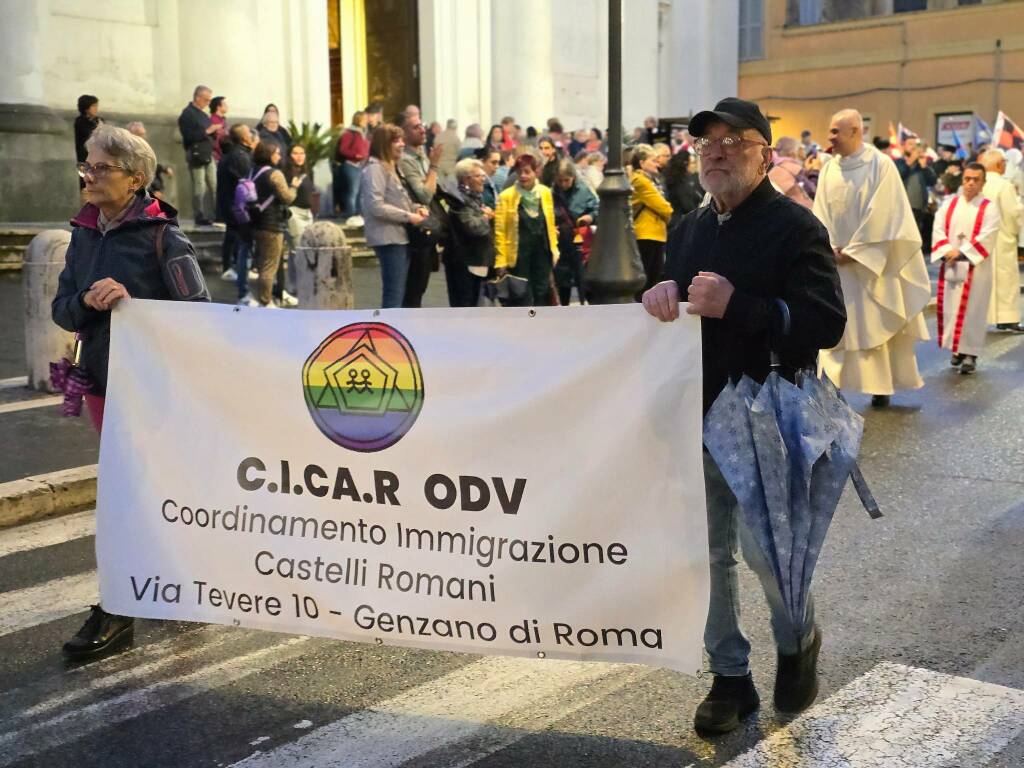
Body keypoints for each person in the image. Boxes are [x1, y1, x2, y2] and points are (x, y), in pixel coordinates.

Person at [642, 97, 845, 734]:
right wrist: (661, 295)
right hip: (696, 414)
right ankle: (729, 678)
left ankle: (798, 640)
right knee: (706, 557)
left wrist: (741, 306)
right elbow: (674, 305)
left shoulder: (796, 227)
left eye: (734, 140)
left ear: (764, 153)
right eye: (708, 143)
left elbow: (826, 324)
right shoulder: (691, 228)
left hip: (768, 418)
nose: (717, 151)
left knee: (767, 554)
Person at [54, 125, 210, 660]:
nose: (89, 178)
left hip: (151, 389)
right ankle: (171, 583)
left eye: (101, 168)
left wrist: (132, 298)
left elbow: (199, 315)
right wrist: (90, 305)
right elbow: (62, 307)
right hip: (101, 382)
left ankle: (118, 608)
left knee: (130, 497)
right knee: (138, 495)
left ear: (135, 178)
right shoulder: (82, 232)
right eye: (87, 167)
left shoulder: (164, 236)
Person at [815, 110, 931, 406]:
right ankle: (832, 384)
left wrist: (856, 251)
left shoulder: (881, 166)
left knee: (874, 322)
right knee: (838, 326)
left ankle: (880, 385)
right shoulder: (830, 167)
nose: (830, 138)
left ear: (855, 132)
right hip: (836, 261)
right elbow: (821, 211)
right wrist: (826, 245)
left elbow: (885, 214)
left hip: (870, 263)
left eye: (835, 132)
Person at [932, 163, 1002, 374]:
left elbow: (989, 234)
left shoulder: (989, 207)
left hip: (976, 269)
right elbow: (938, 228)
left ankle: (970, 354)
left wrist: (962, 252)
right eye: (967, 179)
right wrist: (946, 250)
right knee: (951, 308)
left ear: (983, 182)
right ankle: (957, 350)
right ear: (962, 180)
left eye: (976, 180)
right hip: (952, 267)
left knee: (973, 311)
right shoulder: (950, 204)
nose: (970, 183)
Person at [360, 124, 427, 308]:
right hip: (388, 238)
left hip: (399, 236)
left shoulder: (391, 167)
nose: (402, 145)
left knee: (400, 291)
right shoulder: (375, 170)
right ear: (384, 144)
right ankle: (388, 333)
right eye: (396, 141)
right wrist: (408, 216)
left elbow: (398, 198)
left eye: (402, 140)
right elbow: (376, 206)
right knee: (394, 293)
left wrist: (417, 208)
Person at [494, 154, 559, 306]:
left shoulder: (545, 192)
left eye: (527, 172)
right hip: (518, 255)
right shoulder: (507, 196)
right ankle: (525, 325)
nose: (523, 176)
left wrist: (554, 249)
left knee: (541, 292)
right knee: (522, 294)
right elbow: (500, 231)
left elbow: (550, 222)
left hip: (542, 251)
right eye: (519, 172)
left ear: (536, 172)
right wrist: (501, 260)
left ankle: (539, 325)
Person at [396, 111, 444, 308]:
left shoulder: (421, 154)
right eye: (416, 127)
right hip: (414, 229)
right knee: (412, 288)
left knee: (420, 286)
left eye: (422, 125)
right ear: (403, 133)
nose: (422, 130)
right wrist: (433, 166)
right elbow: (425, 195)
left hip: (426, 225)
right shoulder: (406, 160)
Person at [978, 150, 1024, 332]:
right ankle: (1007, 318)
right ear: (998, 165)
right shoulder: (1004, 186)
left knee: (982, 281)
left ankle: (981, 317)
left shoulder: (978, 183)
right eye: (1004, 163)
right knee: (1005, 279)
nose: (1006, 166)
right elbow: (1012, 213)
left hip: (980, 239)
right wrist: (1014, 231)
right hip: (1001, 238)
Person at [249, 140, 298, 308]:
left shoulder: (253, 172)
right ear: (269, 155)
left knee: (262, 263)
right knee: (270, 265)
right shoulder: (275, 174)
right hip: (272, 224)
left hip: (255, 222)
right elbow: (288, 198)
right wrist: (294, 187)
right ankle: (266, 301)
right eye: (277, 153)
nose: (279, 156)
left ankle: (261, 296)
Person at [444, 158, 495, 307]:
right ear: (466, 179)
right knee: (464, 306)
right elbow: (474, 227)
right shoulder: (459, 201)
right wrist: (486, 216)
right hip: (464, 263)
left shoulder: (474, 199)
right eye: (479, 176)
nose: (483, 180)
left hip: (475, 261)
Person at [216, 124, 258, 302]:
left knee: (232, 236)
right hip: (236, 205)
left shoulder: (232, 154)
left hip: (229, 204)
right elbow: (247, 182)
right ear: (243, 138)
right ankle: (234, 272)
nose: (251, 136)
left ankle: (230, 268)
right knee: (240, 242)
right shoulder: (239, 156)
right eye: (249, 133)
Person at [551, 159, 598, 306]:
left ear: (573, 177)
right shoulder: (552, 192)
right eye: (560, 181)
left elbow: (596, 208)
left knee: (583, 280)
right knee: (562, 282)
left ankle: (585, 305)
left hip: (581, 243)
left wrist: (590, 217)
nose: (564, 184)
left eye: (567, 180)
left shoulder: (583, 190)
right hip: (561, 243)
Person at [631, 144, 674, 301]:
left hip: (655, 234)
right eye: (653, 160)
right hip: (647, 234)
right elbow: (665, 207)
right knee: (647, 280)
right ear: (642, 163)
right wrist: (667, 214)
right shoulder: (640, 181)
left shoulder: (650, 180)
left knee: (652, 278)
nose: (657, 163)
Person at [177, 85, 219, 225]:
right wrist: (207, 131)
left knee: (214, 184)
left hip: (208, 153)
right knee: (199, 186)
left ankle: (217, 213)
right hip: (196, 154)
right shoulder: (187, 114)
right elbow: (188, 136)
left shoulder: (203, 114)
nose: (208, 103)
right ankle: (199, 215)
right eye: (206, 100)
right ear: (197, 97)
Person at [283, 144, 315, 304]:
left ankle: (299, 285)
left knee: (305, 250)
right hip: (294, 213)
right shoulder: (286, 173)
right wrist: (292, 186)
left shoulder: (307, 171)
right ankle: (294, 287)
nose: (299, 156)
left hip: (307, 213)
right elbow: (286, 196)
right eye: (295, 153)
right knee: (297, 251)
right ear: (289, 155)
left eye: (302, 153)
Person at [895, 135, 938, 251]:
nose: (914, 148)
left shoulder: (921, 165)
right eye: (910, 144)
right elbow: (898, 176)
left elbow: (932, 181)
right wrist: (910, 162)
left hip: (919, 207)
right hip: (902, 207)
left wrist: (924, 167)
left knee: (916, 237)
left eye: (916, 145)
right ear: (903, 147)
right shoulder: (898, 162)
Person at [335, 111, 369, 224]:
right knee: (352, 191)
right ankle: (351, 215)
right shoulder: (349, 134)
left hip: (361, 166)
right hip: (351, 165)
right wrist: (355, 155)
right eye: (364, 119)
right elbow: (343, 149)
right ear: (358, 120)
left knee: (360, 192)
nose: (366, 121)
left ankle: (359, 216)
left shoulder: (362, 133)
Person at [126, 122, 173, 204]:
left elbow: (152, 165)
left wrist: (165, 169)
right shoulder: (129, 153)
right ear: (132, 136)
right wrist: (152, 193)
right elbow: (139, 178)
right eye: (140, 134)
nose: (144, 137)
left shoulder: (143, 149)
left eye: (144, 134)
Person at [663, 149, 703, 230]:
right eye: (692, 163)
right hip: (681, 224)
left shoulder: (685, 180)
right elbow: (687, 204)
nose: (694, 165)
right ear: (685, 164)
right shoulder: (680, 182)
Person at [769, 137, 814, 208]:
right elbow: (813, 191)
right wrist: (815, 171)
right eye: (800, 149)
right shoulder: (796, 169)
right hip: (800, 213)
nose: (803, 152)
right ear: (792, 153)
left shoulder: (772, 171)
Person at [74, 95, 102, 193]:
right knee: (85, 181)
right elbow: (89, 134)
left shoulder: (99, 120)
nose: (96, 108)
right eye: (93, 106)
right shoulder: (80, 121)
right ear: (86, 108)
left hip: (98, 155)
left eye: (96, 105)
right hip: (85, 156)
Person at [209, 96, 229, 163]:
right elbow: (218, 140)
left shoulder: (222, 120)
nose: (227, 106)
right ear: (218, 107)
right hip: (217, 157)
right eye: (225, 104)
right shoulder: (214, 121)